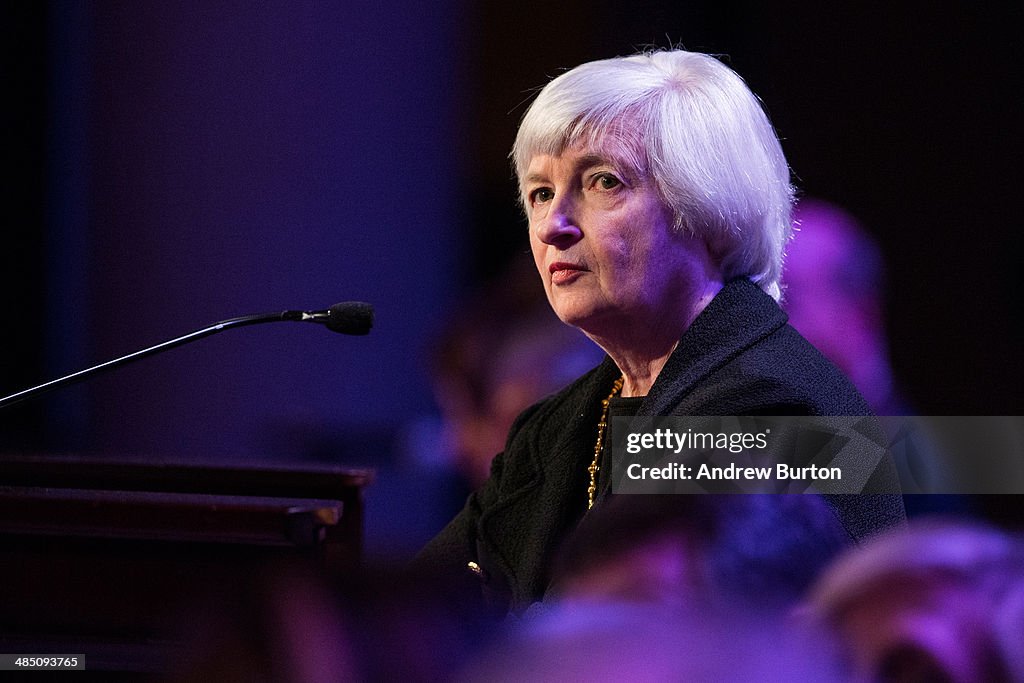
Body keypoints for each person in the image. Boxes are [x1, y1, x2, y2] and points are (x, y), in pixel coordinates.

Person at [418, 49, 904, 614]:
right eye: (541, 192)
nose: (553, 225)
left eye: (602, 182)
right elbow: (428, 605)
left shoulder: (771, 405)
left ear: (707, 210)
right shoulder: (555, 425)